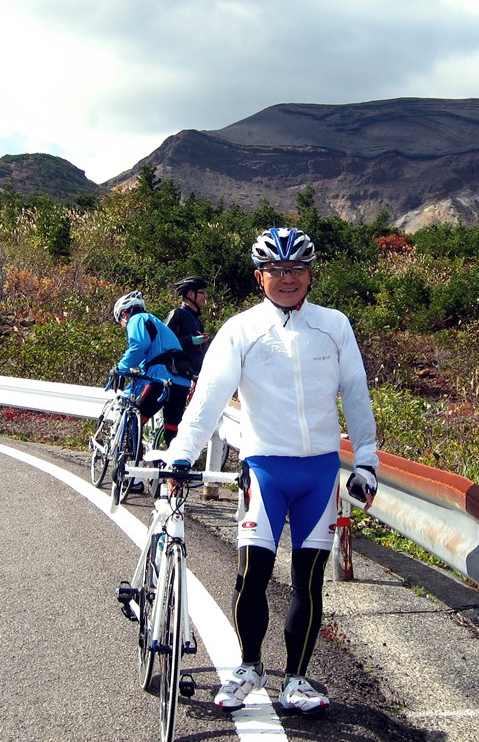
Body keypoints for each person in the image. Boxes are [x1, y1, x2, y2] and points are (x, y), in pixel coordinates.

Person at [158, 227, 380, 717]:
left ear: (310, 274)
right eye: (276, 270)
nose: (287, 279)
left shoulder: (334, 325)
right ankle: (250, 667)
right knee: (252, 574)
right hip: (264, 469)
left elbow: (356, 395)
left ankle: (296, 680)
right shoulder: (240, 329)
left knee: (308, 581)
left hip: (320, 472)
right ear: (259, 276)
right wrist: (181, 453)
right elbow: (210, 397)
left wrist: (366, 460)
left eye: (296, 269)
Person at [111, 292, 192, 470]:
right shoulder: (156, 325)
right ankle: (173, 476)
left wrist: (120, 369)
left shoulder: (137, 319)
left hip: (160, 380)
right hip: (181, 382)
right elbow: (147, 363)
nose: (124, 327)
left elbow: (139, 346)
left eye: (121, 323)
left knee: (135, 419)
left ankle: (136, 475)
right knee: (173, 429)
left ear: (124, 314)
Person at [158, 276, 210, 447]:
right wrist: (191, 340)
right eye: (202, 292)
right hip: (174, 376)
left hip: (190, 377)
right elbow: (164, 344)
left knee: (182, 422)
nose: (205, 296)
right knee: (173, 422)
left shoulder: (197, 320)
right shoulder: (177, 314)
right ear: (190, 294)